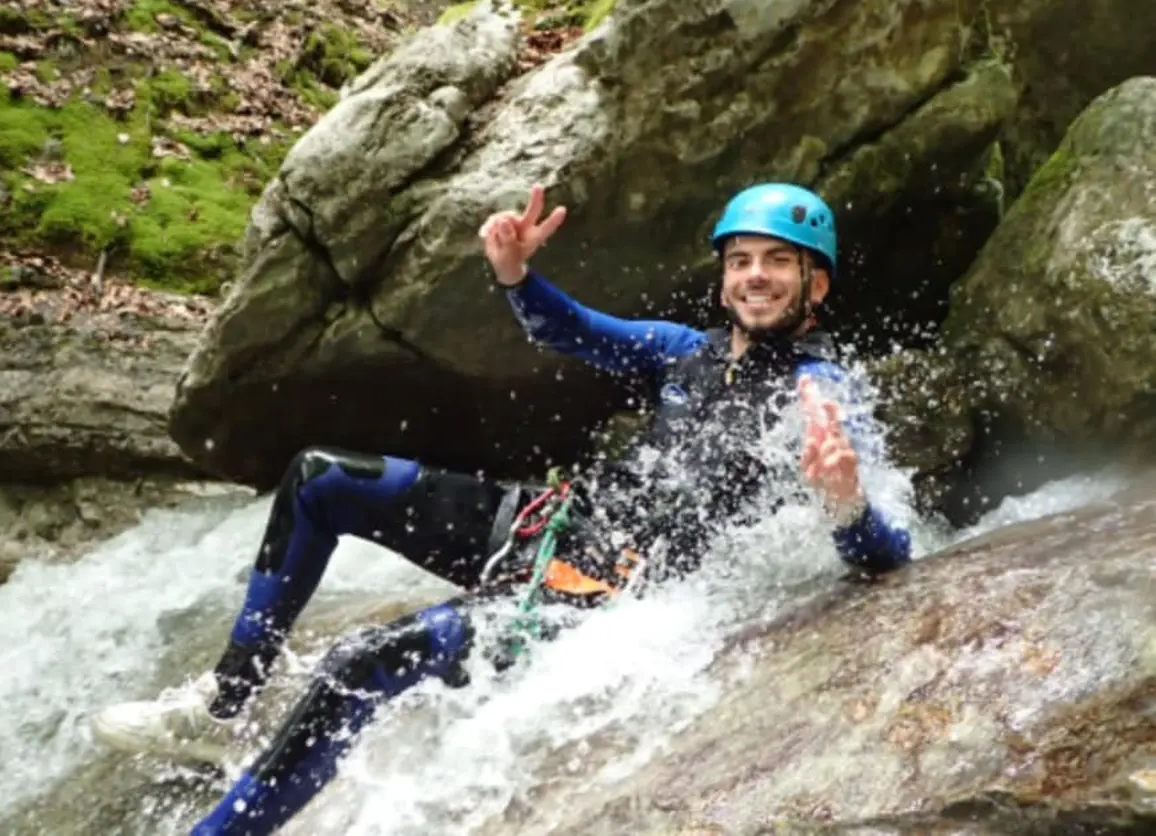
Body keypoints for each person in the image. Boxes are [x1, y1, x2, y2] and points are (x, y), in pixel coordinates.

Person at [91, 182, 913, 835]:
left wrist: (845, 507)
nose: (755, 276)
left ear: (817, 283)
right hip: (547, 525)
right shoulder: (682, 351)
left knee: (363, 660)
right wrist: (517, 274)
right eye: (740, 261)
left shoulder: (823, 394)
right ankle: (224, 702)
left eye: (778, 261)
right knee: (319, 477)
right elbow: (572, 330)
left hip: (607, 602)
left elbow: (889, 553)